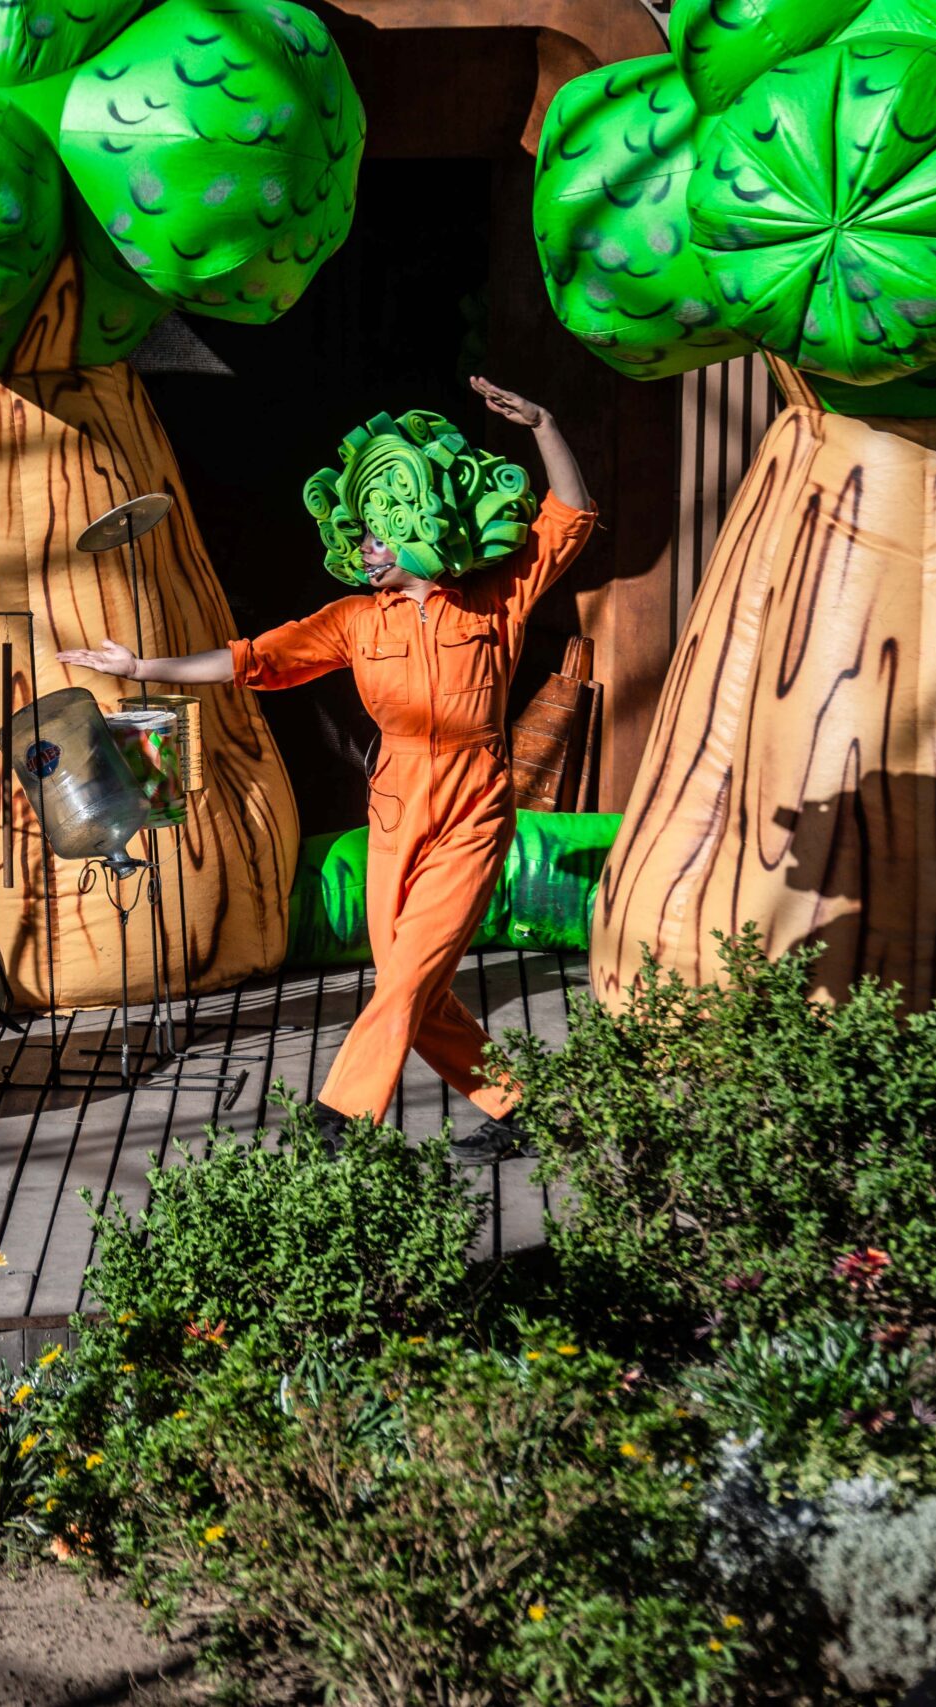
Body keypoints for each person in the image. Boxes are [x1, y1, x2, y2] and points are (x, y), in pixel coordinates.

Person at [58, 376, 594, 1154]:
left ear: (418, 524)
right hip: (394, 813)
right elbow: (253, 658)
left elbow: (570, 517)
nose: (364, 549)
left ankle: (338, 1118)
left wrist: (544, 422)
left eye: (378, 534)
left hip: (474, 812)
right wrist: (142, 665)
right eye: (361, 535)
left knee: (408, 977)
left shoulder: (494, 602)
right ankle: (523, 1113)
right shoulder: (353, 622)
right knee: (414, 987)